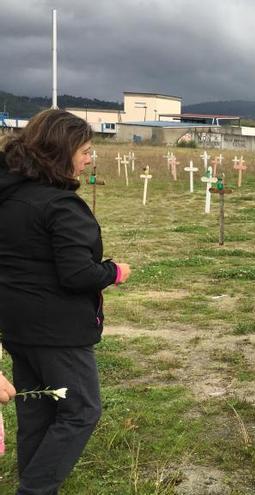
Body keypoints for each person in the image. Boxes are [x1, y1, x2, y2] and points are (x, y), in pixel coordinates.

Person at [0, 109, 132, 493]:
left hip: (17, 325)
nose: (90, 159)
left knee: (37, 411)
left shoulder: (10, 197)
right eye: (86, 150)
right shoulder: (60, 205)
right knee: (81, 410)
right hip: (57, 331)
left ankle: (37, 483)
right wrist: (114, 271)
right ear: (62, 150)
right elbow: (77, 274)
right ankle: (35, 489)